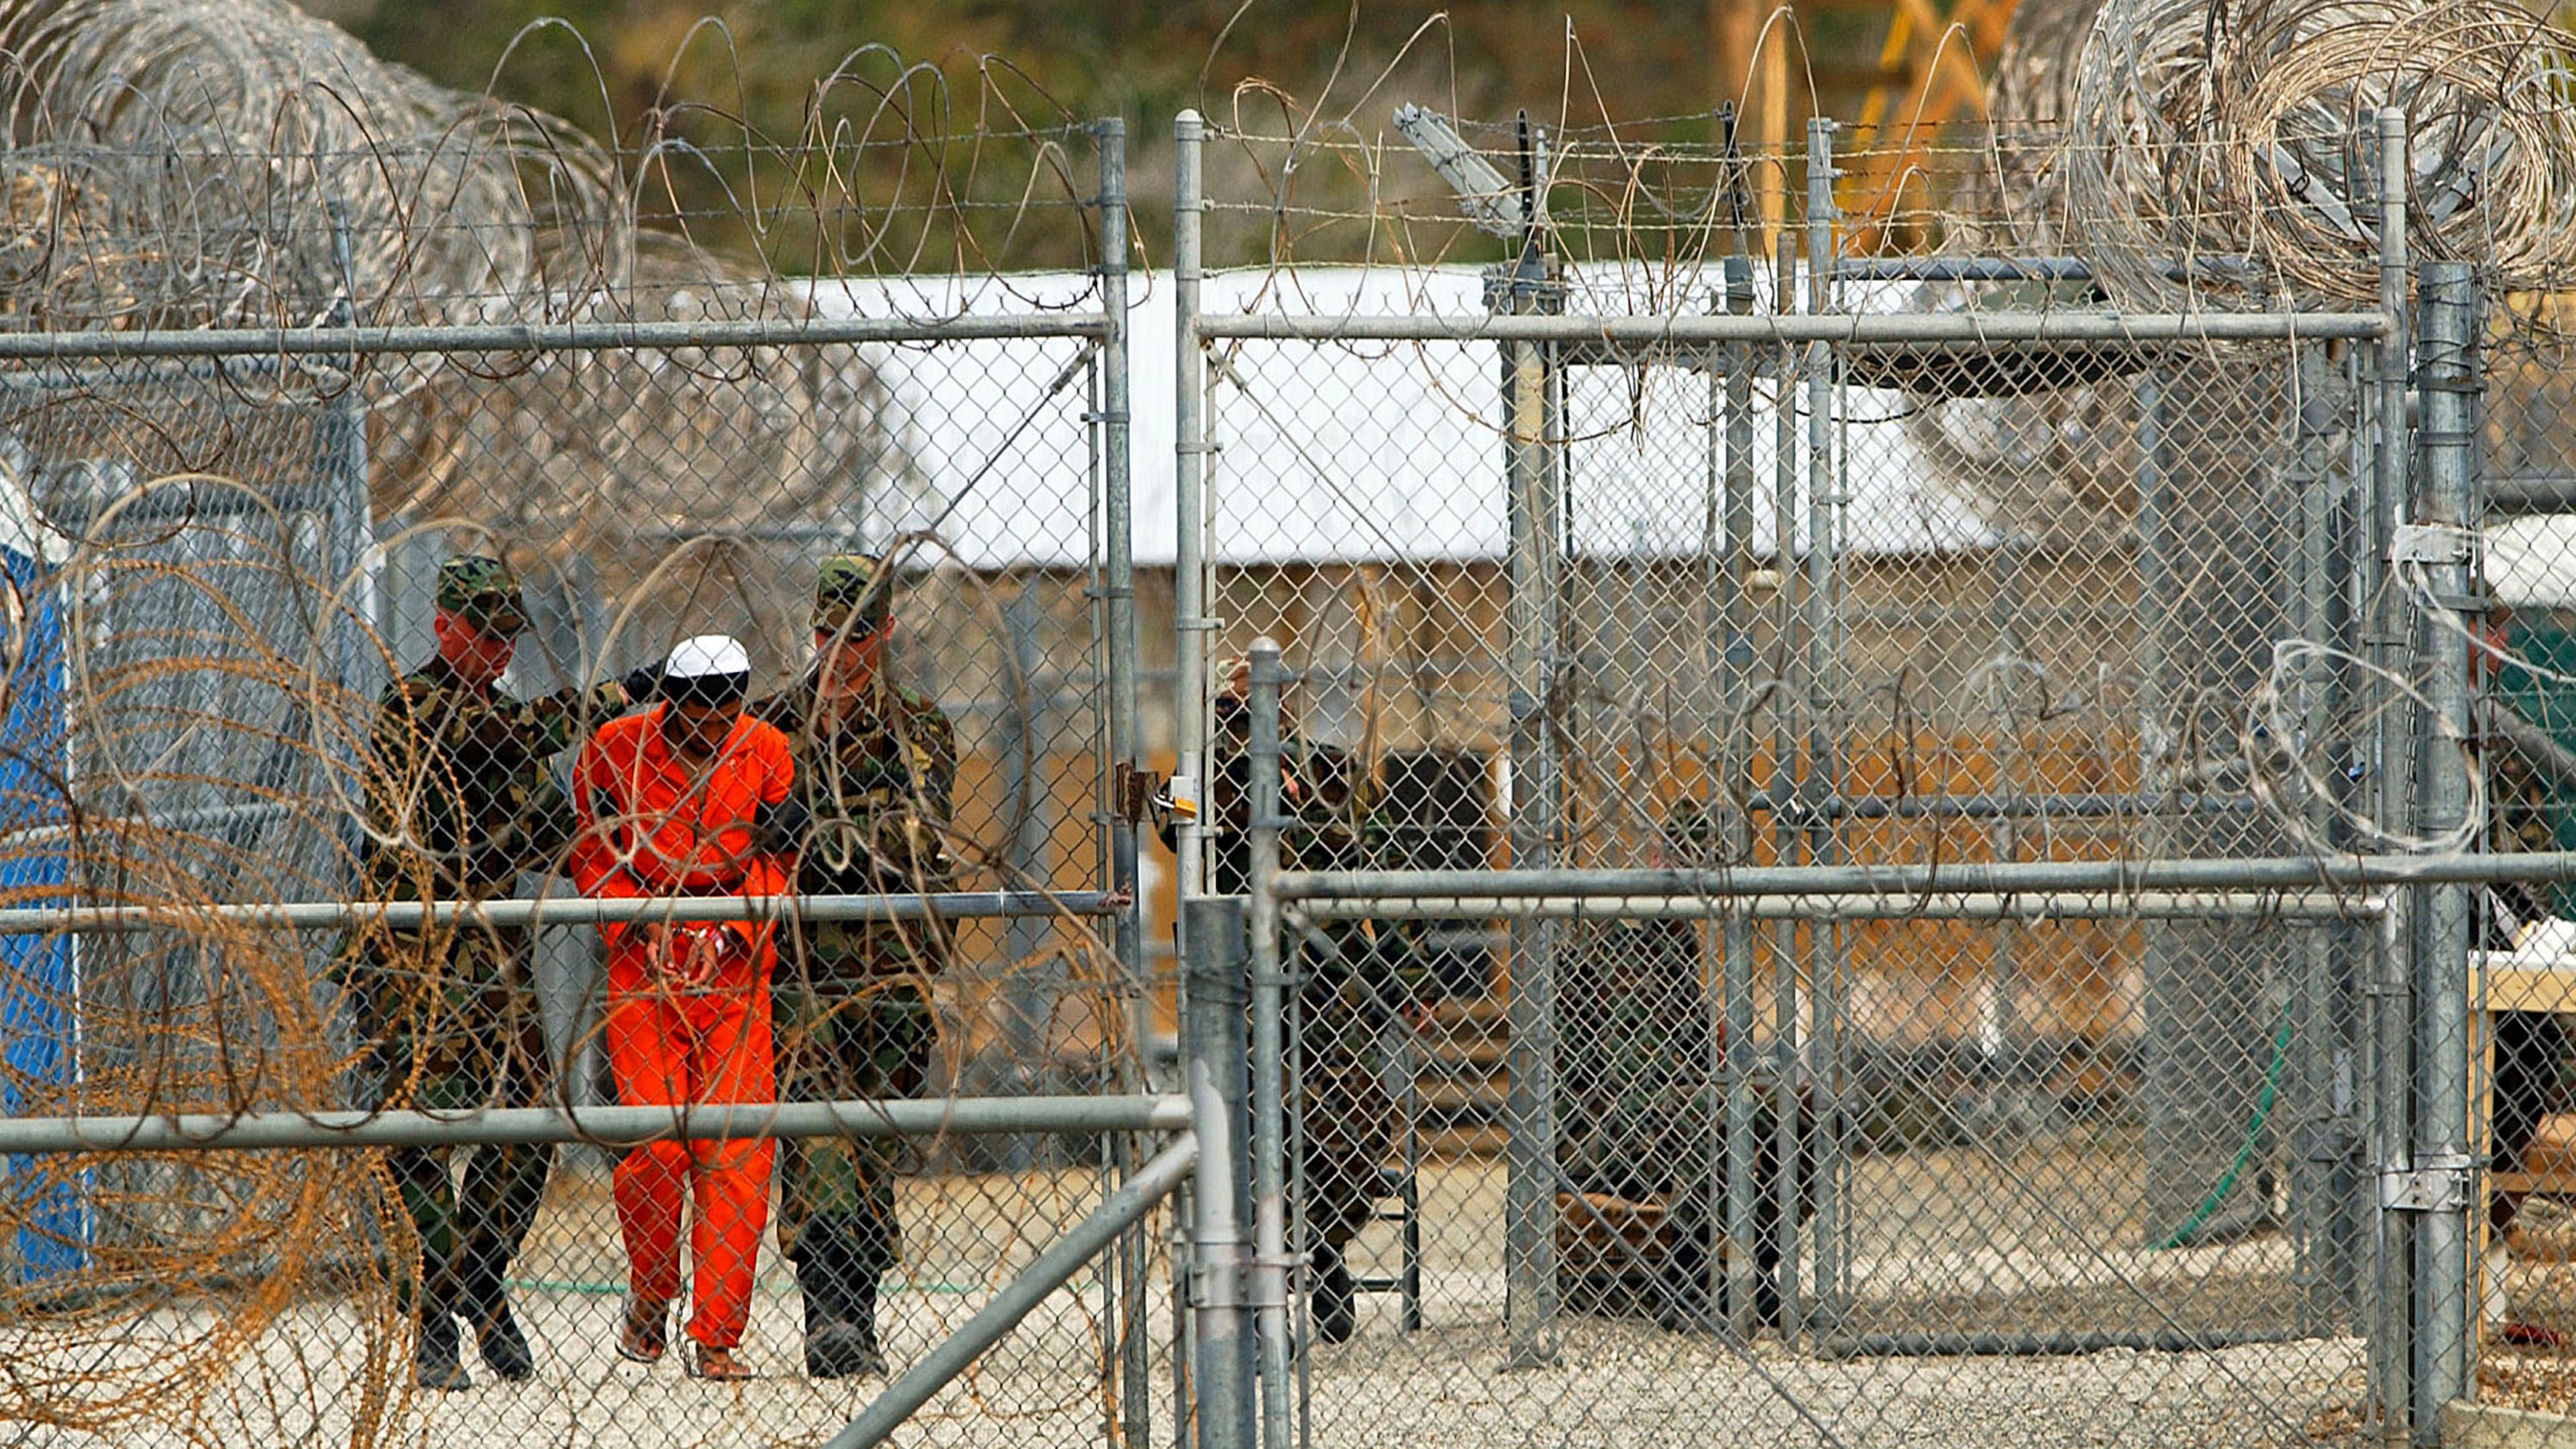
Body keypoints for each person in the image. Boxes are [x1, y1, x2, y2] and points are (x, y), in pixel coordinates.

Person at [337, 552, 626, 1391]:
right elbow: (512, 739)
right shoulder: (415, 708)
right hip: (414, 962)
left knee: (528, 1130)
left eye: (509, 637)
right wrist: (620, 692)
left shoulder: (500, 714)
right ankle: (432, 1314)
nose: (499, 652)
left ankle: (480, 1277)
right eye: (484, 635)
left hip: (497, 966)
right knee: (423, 1139)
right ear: (442, 628)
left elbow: (548, 836)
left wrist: (640, 844)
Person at [1165, 654, 1425, 1344]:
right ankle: (1254, 1268)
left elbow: (1369, 873)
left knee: (1347, 1123)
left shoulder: (1326, 766)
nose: (1252, 702)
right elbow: (1171, 830)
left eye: (1265, 689)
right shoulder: (1195, 770)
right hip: (1237, 988)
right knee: (1242, 1126)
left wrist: (1394, 977)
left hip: (1324, 984)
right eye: (1236, 691)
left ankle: (1324, 1248)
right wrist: (1216, 756)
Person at [749, 553, 958, 1379]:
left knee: (867, 1138)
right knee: (814, 1134)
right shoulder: (771, 724)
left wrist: (816, 830)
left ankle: (855, 1309)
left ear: (886, 633)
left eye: (858, 635)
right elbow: (737, 832)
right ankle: (829, 1314)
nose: (840, 651)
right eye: (828, 633)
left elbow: (917, 835)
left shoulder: (917, 724)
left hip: (886, 963)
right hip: (798, 965)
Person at [570, 634, 798, 1381]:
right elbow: (594, 849)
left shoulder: (766, 750)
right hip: (645, 962)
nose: (707, 733)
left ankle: (717, 1336)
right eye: (692, 717)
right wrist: (646, 919)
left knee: (735, 1149)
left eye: (721, 717)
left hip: (734, 970)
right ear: (669, 702)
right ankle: (650, 1292)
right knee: (656, 1142)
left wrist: (731, 926)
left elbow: (779, 859)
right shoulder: (615, 747)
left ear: (737, 707)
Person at [1554, 802, 1816, 1333]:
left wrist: (1726, 1070)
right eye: (1690, 867)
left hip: (1666, 1119)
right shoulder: (1624, 936)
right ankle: (1687, 1274)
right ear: (1658, 860)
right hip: (1597, 1133)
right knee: (1714, 1111)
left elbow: (1690, 1062)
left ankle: (1755, 1268)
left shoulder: (1675, 937)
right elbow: (1634, 1091)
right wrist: (1718, 1086)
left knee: (1805, 1110)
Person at [2475, 608, 2576, 1346]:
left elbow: (2520, 847)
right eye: (2487, 629)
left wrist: (2534, 928)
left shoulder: (2497, 729)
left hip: (2507, 931)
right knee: (2492, 1093)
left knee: (2528, 1075)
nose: (2502, 646)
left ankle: (2488, 1304)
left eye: (2504, 631)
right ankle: (2473, 1304)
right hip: (2466, 940)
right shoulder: (2421, 725)